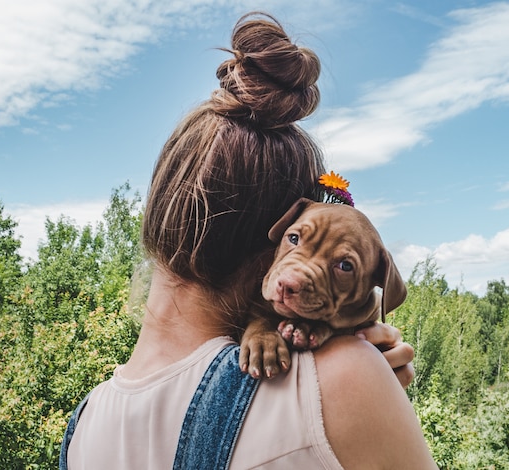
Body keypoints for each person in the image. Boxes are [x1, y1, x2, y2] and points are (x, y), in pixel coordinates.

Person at [62, 12, 437, 469]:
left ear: (155, 212)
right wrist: (366, 388)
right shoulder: (334, 381)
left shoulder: (84, 424)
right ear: (272, 253)